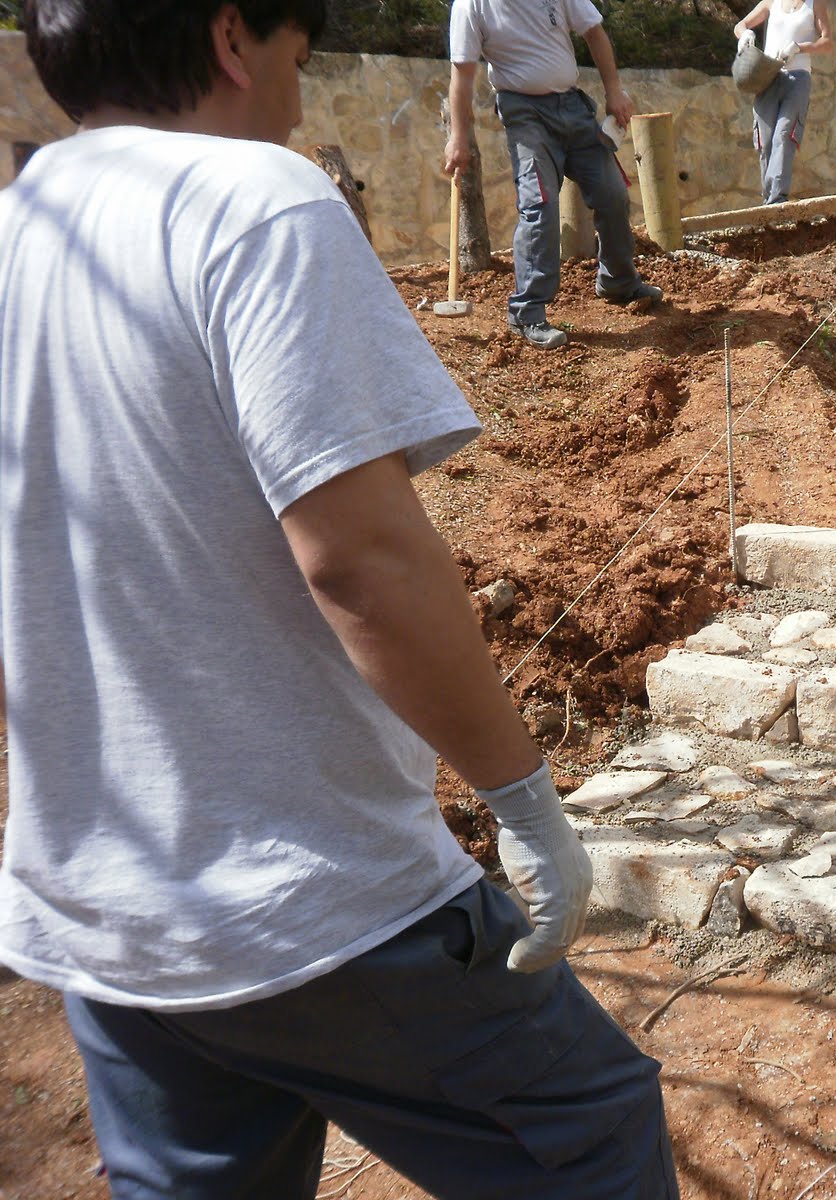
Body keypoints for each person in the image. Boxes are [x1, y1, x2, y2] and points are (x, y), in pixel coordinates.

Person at [0, 3, 678, 1197]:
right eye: (298, 61)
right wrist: (523, 803)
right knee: (590, 1133)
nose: (300, 100)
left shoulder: (18, 229)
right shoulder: (254, 199)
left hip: (102, 906)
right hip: (305, 893)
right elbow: (362, 559)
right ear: (229, 40)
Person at [445, 0, 662, 349]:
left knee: (612, 192)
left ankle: (618, 281)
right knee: (540, 205)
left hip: (573, 106)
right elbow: (463, 74)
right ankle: (527, 312)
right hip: (523, 112)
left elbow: (594, 32)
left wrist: (613, 90)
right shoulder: (472, 5)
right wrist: (458, 136)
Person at [734, 0, 833, 205]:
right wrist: (745, 34)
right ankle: (768, 200)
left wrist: (800, 48)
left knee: (784, 135)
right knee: (766, 140)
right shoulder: (772, 2)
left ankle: (776, 200)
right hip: (768, 76)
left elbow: (827, 42)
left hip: (797, 78)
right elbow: (740, 25)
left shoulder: (814, 4)